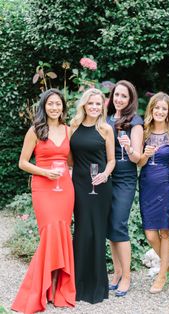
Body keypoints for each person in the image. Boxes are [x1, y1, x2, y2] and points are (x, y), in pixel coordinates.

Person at [12, 89, 76, 313]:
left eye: (58, 104)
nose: (54, 108)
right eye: (50, 104)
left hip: (65, 189)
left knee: (62, 233)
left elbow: (71, 162)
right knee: (49, 233)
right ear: (44, 106)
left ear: (63, 107)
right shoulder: (35, 131)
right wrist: (43, 172)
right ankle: (39, 289)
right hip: (43, 187)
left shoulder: (69, 131)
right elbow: (22, 162)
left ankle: (58, 288)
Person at [70, 88, 115, 304]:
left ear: (102, 107)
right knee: (81, 231)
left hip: (100, 186)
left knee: (97, 233)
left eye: (99, 104)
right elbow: (69, 159)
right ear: (84, 105)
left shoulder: (106, 129)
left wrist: (105, 175)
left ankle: (97, 287)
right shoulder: (73, 127)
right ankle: (77, 286)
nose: (95, 107)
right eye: (91, 104)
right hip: (78, 184)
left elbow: (112, 160)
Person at [138, 92, 169, 293]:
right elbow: (138, 163)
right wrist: (144, 156)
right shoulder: (144, 132)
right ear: (151, 110)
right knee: (150, 234)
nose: (160, 112)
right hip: (147, 184)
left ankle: (162, 276)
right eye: (157, 108)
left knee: (165, 232)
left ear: (168, 111)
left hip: (166, 185)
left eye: (164, 108)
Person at [107, 80, 143, 296]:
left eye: (124, 96)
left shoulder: (135, 123)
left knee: (119, 223)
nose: (119, 99)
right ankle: (117, 272)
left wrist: (129, 148)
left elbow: (138, 159)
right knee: (110, 226)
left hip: (125, 179)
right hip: (106, 177)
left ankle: (127, 277)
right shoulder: (107, 119)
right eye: (116, 95)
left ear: (130, 100)